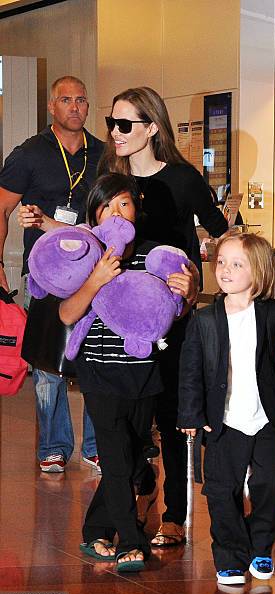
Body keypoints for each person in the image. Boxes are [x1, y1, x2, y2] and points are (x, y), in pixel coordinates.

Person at [98, 87, 228, 546]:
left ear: (152, 127)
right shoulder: (110, 179)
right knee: (128, 418)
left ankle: (174, 512)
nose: (115, 132)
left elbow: (220, 233)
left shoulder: (182, 178)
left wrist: (197, 278)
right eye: (111, 122)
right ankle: (139, 490)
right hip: (121, 320)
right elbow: (89, 234)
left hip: (175, 317)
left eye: (125, 124)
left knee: (174, 415)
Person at [177, 232, 275, 586]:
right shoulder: (204, 320)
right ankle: (231, 555)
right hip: (223, 422)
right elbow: (190, 371)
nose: (226, 270)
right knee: (221, 490)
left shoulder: (272, 313)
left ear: (259, 272)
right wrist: (190, 414)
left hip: (264, 419)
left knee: (270, 484)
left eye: (237, 264)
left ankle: (260, 546)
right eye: (221, 263)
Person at [60, 173, 195, 572]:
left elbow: (171, 316)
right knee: (117, 461)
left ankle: (95, 529)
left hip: (144, 373)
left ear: (136, 209)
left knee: (133, 456)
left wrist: (185, 295)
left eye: (123, 203)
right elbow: (67, 313)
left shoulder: (155, 255)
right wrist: (97, 279)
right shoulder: (87, 255)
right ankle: (130, 542)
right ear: (94, 213)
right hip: (100, 374)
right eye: (106, 205)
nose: (115, 212)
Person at [0, 76, 103, 473]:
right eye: (66, 100)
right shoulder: (30, 154)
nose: (74, 107)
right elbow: (2, 208)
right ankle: (53, 447)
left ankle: (95, 445)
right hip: (43, 275)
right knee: (47, 365)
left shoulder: (103, 154)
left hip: (94, 273)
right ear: (51, 107)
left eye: (81, 100)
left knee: (94, 358)